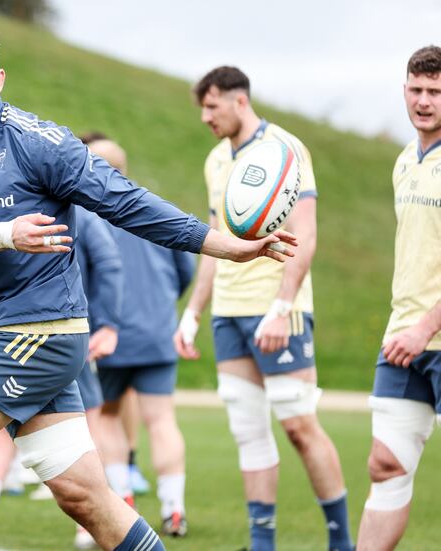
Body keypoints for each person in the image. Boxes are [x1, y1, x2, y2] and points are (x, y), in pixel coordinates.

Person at [0, 21, 296, 551]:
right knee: (85, 497)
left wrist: (224, 244)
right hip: (5, 331)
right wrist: (3, 233)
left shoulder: (41, 144)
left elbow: (127, 202)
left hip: (38, 331)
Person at [174, 66, 352, 551]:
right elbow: (214, 243)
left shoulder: (286, 150)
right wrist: (192, 314)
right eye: (202, 108)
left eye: (212, 106)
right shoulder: (215, 160)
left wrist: (281, 306)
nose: (206, 117)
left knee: (297, 424)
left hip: (278, 310)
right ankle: (262, 544)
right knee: (247, 428)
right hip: (228, 313)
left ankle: (342, 542)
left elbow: (307, 234)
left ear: (239, 100)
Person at [0, 176, 123, 550]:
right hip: (63, 333)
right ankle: (89, 527)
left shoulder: (6, 202)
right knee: (90, 424)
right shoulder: (80, 210)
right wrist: (109, 325)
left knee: (2, 424)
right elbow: (109, 264)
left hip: (10, 335)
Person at [86, 137, 195, 539]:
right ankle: (174, 508)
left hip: (108, 335)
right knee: (162, 420)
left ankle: (125, 500)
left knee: (109, 418)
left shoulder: (87, 215)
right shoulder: (152, 208)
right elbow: (185, 270)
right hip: (157, 331)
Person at [356, 45, 441, 551]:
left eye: (435, 91)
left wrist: (426, 327)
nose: (424, 100)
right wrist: (409, 328)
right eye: (417, 89)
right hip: (403, 337)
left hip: (426, 332)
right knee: (385, 465)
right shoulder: (404, 161)